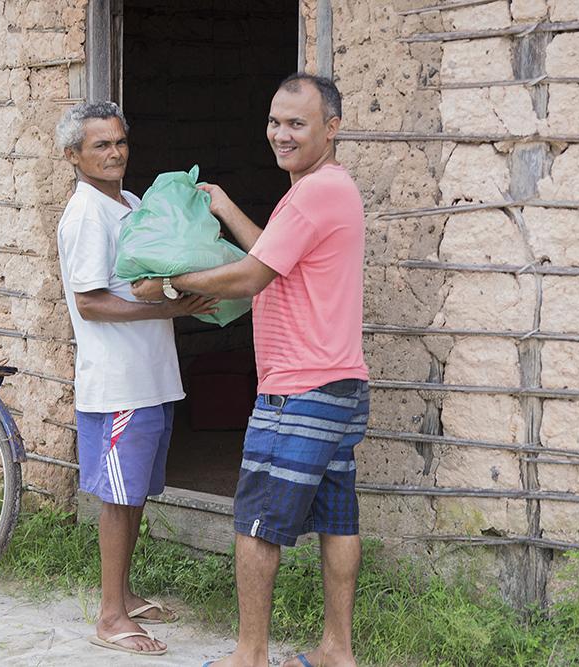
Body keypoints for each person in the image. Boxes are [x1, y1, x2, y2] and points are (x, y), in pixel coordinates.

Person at [132, 73, 369, 667]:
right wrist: (226, 206)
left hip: (300, 386)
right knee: (338, 518)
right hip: (339, 381)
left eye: (297, 123)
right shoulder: (327, 189)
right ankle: (337, 652)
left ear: (332, 129)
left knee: (256, 519)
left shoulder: (314, 193)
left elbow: (252, 275)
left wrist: (167, 282)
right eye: (274, 121)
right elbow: (275, 256)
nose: (280, 134)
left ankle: (250, 656)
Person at [54, 101, 218, 657]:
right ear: (73, 155)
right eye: (101, 145)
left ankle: (123, 593)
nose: (115, 152)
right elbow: (92, 303)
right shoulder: (85, 216)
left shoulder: (128, 201)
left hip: (150, 375)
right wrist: (170, 312)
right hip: (119, 381)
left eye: (120, 141)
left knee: (135, 492)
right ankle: (109, 616)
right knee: (118, 500)